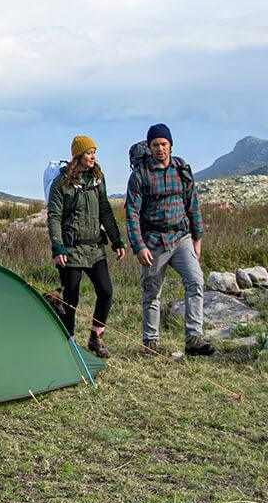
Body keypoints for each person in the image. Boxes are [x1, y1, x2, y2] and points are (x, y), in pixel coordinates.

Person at [125, 123, 214, 356]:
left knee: (195, 281)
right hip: (153, 242)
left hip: (182, 237)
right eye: (155, 144)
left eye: (164, 144)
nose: (160, 148)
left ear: (171, 145)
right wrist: (138, 246)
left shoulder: (182, 169)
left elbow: (193, 205)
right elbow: (132, 214)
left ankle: (194, 339)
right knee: (151, 291)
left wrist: (197, 238)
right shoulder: (140, 176)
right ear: (149, 146)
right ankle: (150, 342)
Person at [47, 135, 125, 358]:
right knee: (71, 297)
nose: (93, 157)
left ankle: (95, 337)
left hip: (94, 248)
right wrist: (58, 246)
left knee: (106, 291)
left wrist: (116, 240)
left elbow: (106, 211)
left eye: (94, 153)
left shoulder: (97, 179)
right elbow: (53, 216)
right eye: (89, 153)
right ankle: (68, 342)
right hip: (70, 248)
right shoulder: (61, 183)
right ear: (78, 155)